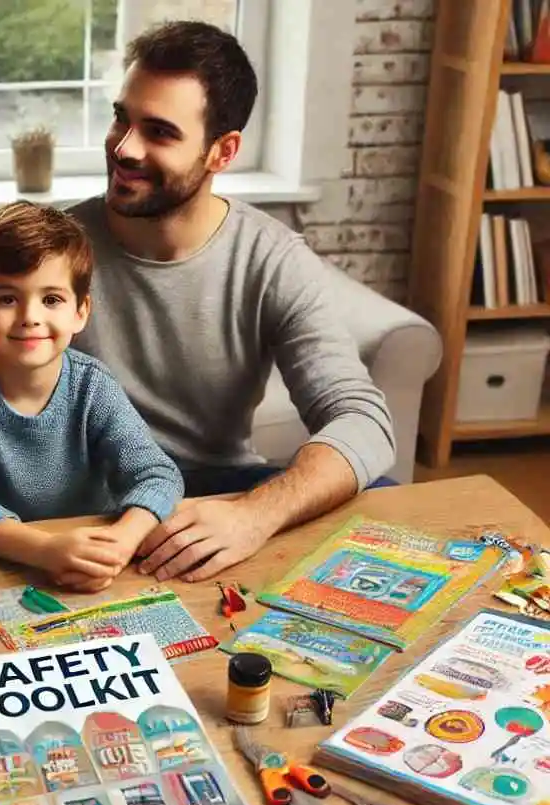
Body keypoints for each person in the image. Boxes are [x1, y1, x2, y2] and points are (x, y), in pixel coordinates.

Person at [63, 20, 396, 583]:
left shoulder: (271, 257)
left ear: (223, 151)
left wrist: (254, 514)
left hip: (219, 493)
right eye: (122, 117)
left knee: (383, 494)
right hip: (93, 504)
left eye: (160, 132)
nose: (124, 148)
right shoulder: (57, 245)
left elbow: (363, 421)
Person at [0, 201, 184, 592]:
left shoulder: (93, 386)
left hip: (99, 564)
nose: (30, 316)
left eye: (51, 300)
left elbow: (157, 473)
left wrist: (121, 542)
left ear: (81, 312)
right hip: (4, 571)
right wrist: (44, 549)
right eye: (8, 299)